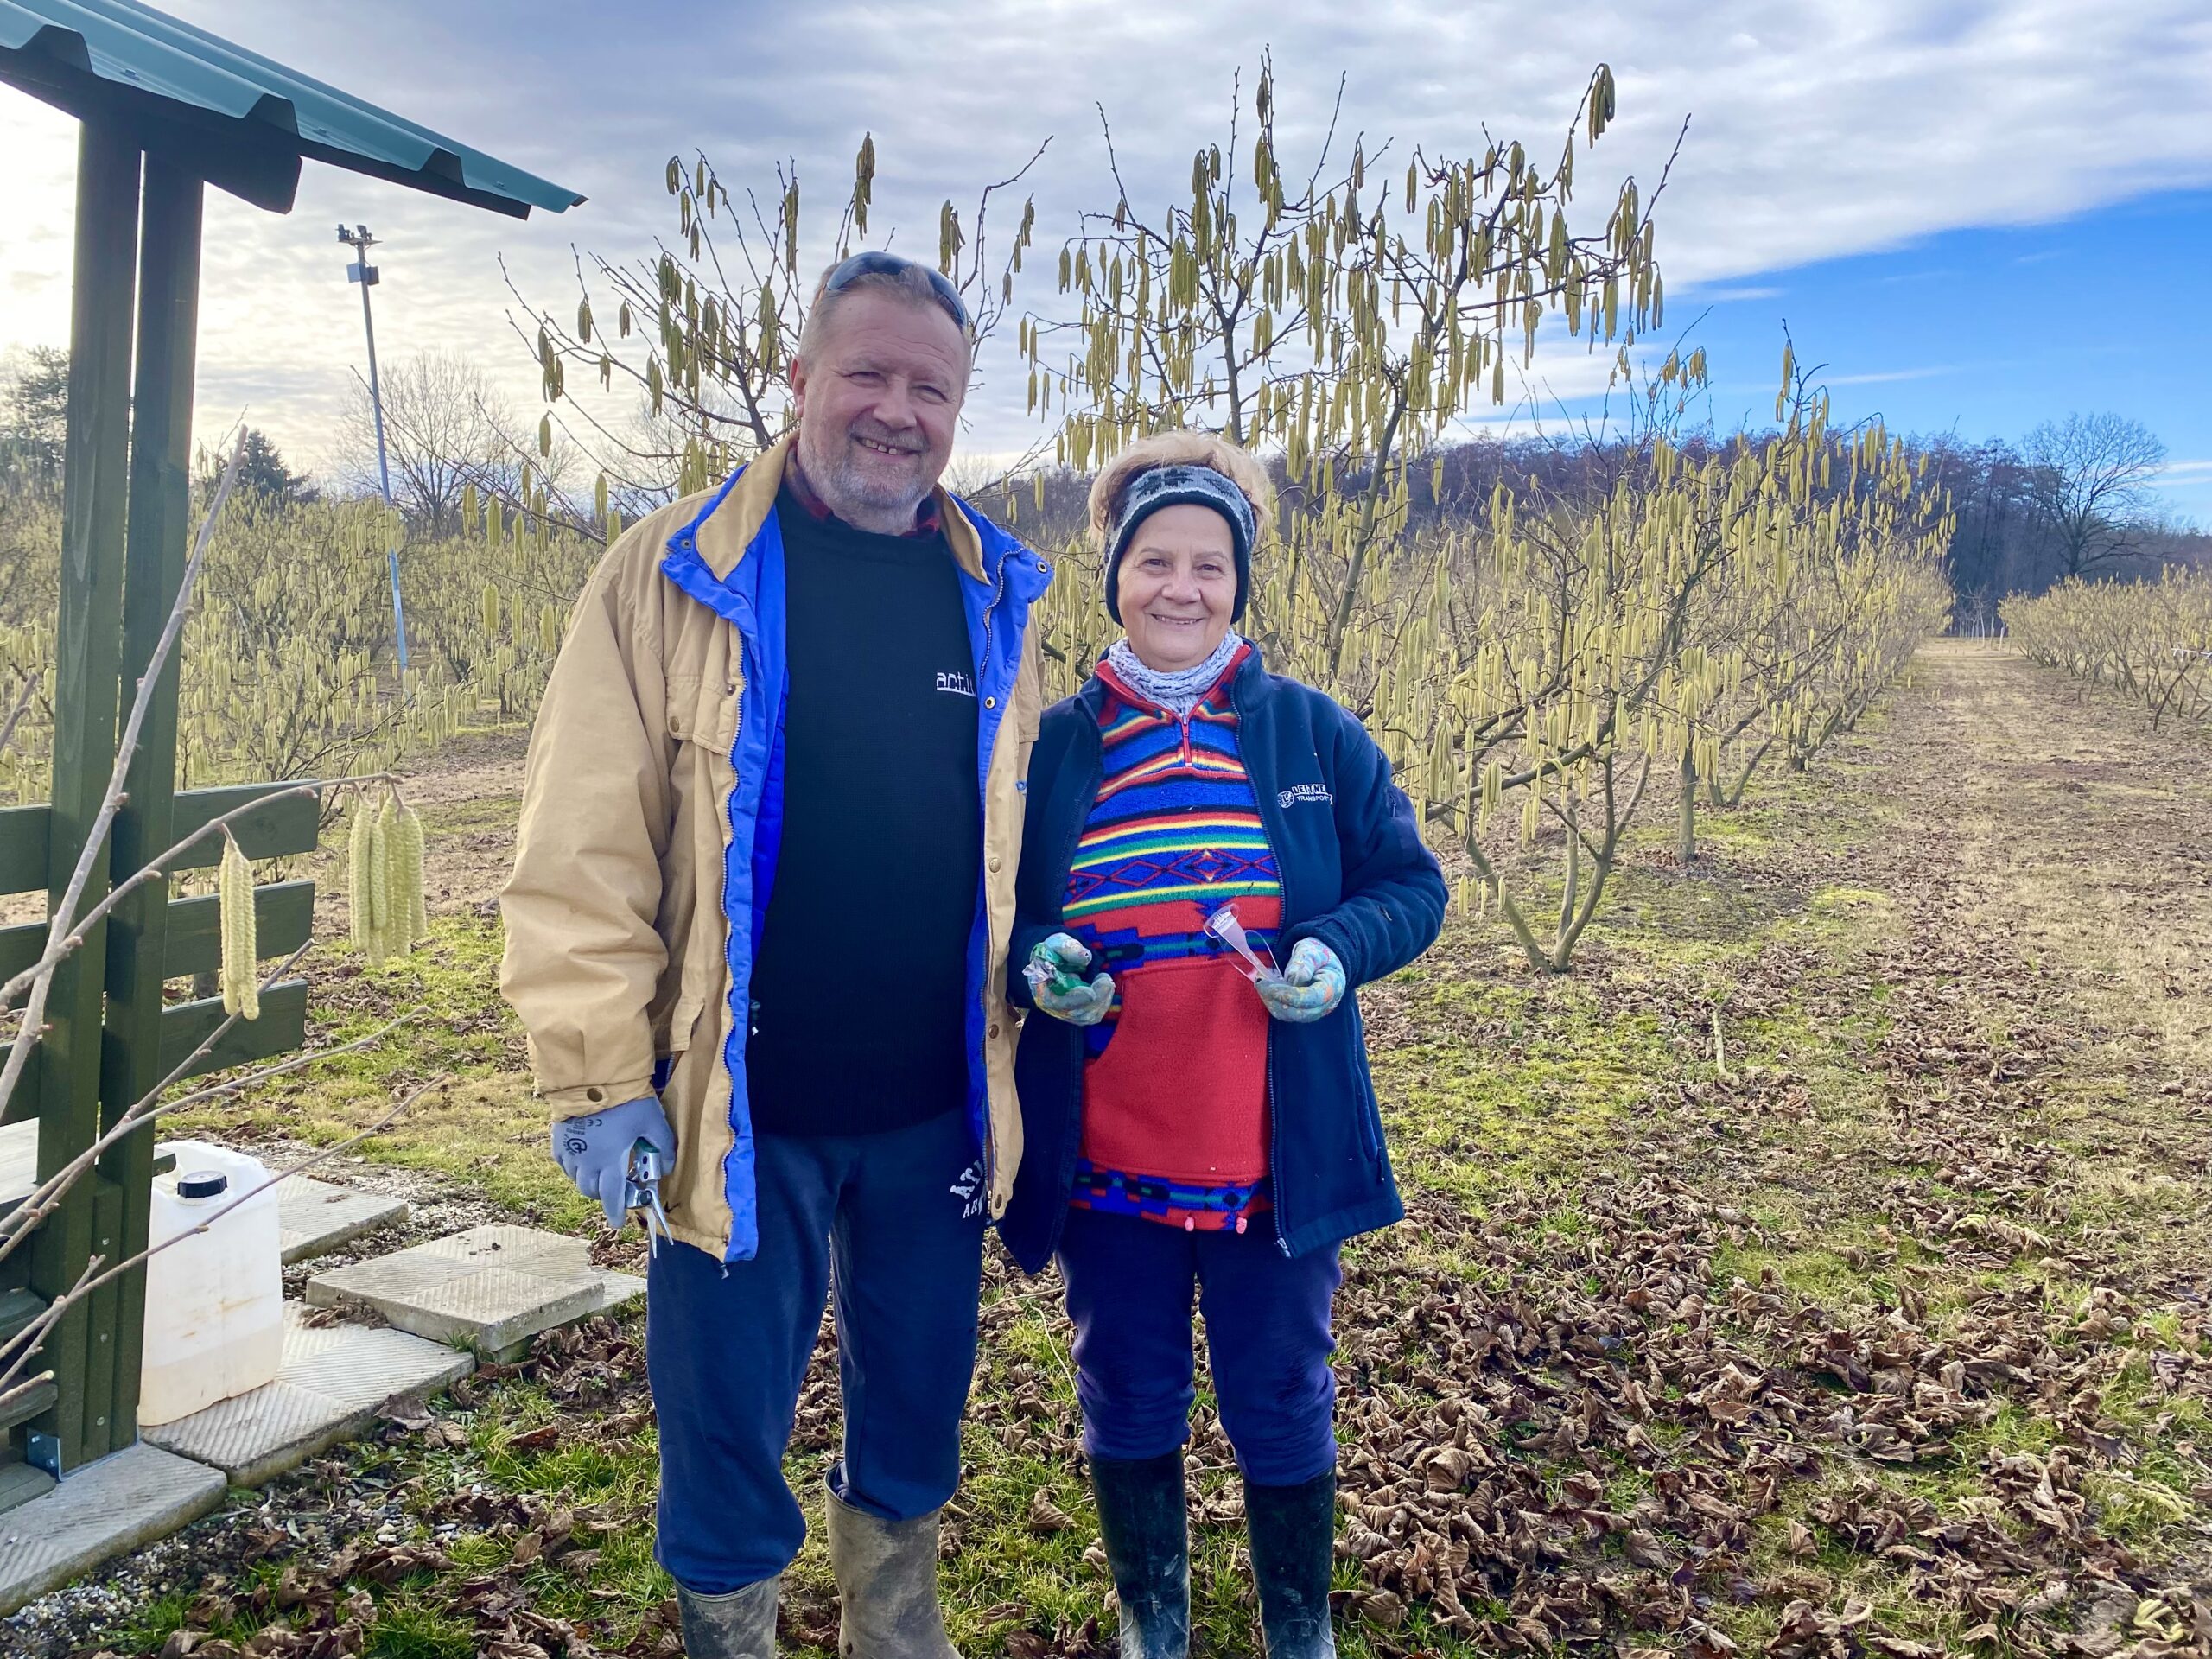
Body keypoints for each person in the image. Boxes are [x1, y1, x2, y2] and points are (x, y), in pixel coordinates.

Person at [499, 251, 1053, 1659]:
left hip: (936, 1106)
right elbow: (581, 849)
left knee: (919, 1395)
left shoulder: (994, 590)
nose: (897, 411)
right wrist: (597, 1075)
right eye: (866, 373)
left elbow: (1015, 842)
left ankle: (894, 1618)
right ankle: (730, 1629)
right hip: (737, 1106)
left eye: (931, 389)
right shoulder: (672, 577)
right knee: (724, 1413)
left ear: (960, 410)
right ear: (800, 378)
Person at [999, 433, 1446, 1659]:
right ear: (1116, 576)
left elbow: (1412, 885)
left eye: (1209, 564)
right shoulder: (1052, 748)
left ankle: (1300, 1634)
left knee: (1282, 1394)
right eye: (1155, 562)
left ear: (1239, 580)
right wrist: (1036, 962)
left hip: (1269, 1161)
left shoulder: (1308, 733)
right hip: (1109, 1163)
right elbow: (994, 910)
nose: (1182, 589)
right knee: (1127, 1393)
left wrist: (1337, 950)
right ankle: (1156, 1628)